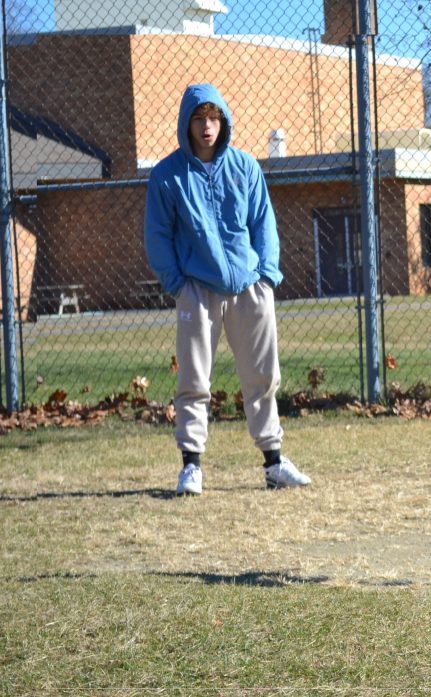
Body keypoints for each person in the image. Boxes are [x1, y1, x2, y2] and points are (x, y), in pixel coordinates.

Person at [144, 83, 311, 496]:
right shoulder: (167, 176)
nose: (207, 126)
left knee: (262, 375)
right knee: (193, 378)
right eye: (199, 118)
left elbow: (263, 223)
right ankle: (191, 467)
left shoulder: (245, 167)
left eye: (213, 118)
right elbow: (157, 236)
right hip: (197, 291)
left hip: (250, 288)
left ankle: (274, 463)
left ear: (223, 122)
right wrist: (178, 286)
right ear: (186, 123)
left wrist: (266, 277)